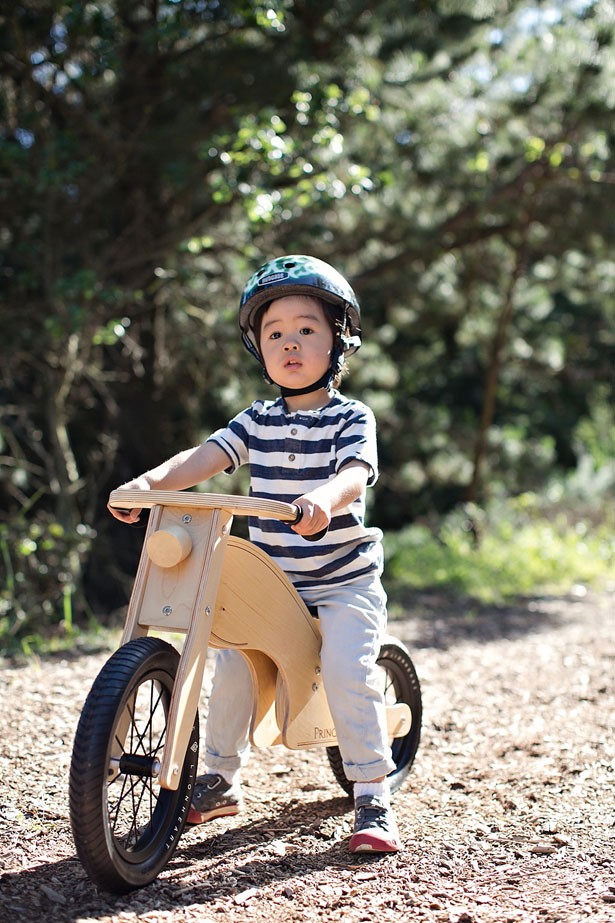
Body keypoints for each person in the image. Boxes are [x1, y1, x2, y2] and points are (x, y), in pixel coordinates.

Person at [108, 255, 400, 853]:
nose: (290, 343)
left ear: (339, 341)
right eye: (275, 334)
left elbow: (354, 473)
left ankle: (372, 793)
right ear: (259, 349)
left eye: (307, 329)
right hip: (276, 580)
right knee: (235, 658)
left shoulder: (351, 416)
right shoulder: (257, 421)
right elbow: (204, 458)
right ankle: (219, 777)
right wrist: (149, 485)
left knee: (347, 668)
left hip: (342, 580)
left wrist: (322, 499)